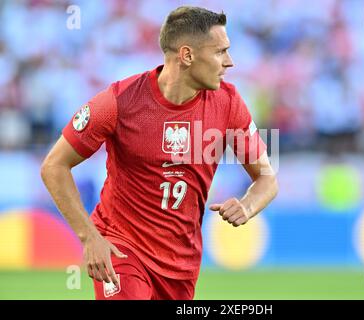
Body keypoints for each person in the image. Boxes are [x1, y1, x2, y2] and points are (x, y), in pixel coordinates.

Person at [41, 6, 278, 300]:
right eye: (220, 52)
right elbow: (54, 166)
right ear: (187, 55)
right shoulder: (118, 102)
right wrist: (89, 237)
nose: (229, 62)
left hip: (181, 265)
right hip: (121, 248)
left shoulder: (228, 103)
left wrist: (247, 205)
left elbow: (267, 179)